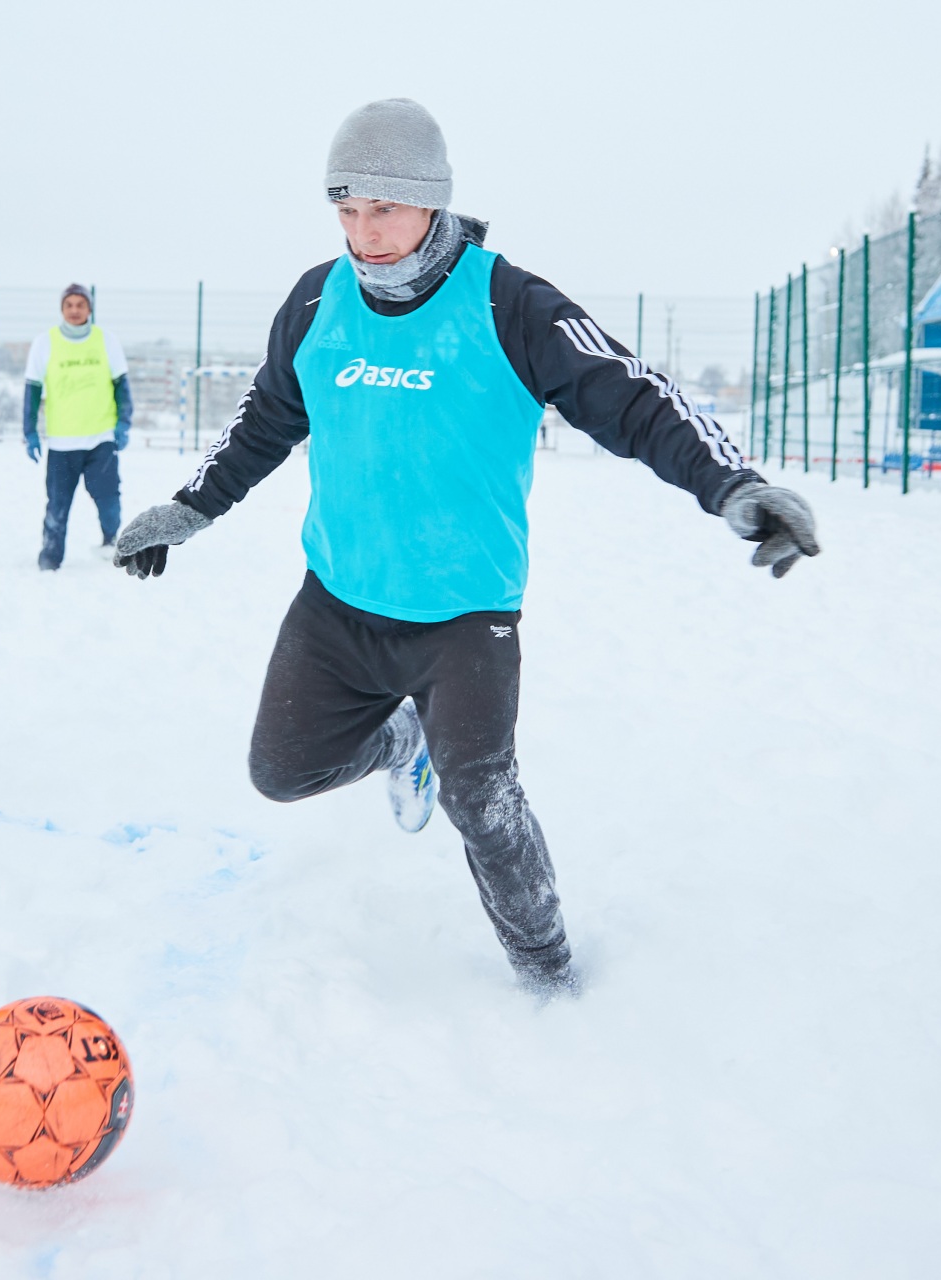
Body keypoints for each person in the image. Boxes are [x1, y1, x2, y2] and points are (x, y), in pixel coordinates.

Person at [112, 99, 820, 998]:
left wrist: (735, 486)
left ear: (433, 203)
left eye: (384, 210)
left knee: (481, 802)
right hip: (338, 601)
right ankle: (401, 738)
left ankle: (550, 979)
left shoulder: (508, 303)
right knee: (281, 772)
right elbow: (267, 418)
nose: (364, 235)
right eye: (346, 211)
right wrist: (190, 508)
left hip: (465, 615)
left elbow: (635, 400)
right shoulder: (314, 302)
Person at [23, 284, 134, 569]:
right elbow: (32, 390)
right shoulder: (44, 343)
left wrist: (123, 423)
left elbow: (122, 387)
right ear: (62, 309)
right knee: (57, 506)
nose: (74, 310)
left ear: (89, 309)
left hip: (101, 438)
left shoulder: (106, 341)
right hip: (62, 443)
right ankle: (50, 557)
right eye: (69, 305)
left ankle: (111, 541)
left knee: (109, 500)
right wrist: (30, 431)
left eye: (80, 305)